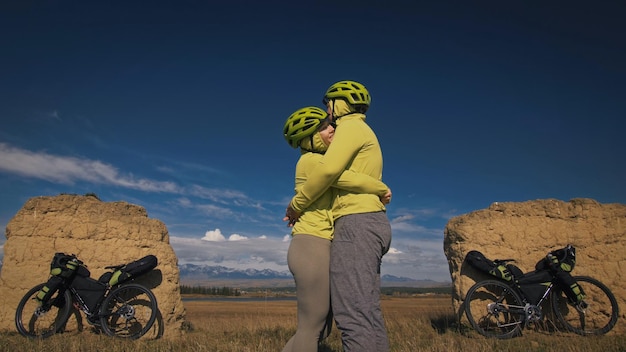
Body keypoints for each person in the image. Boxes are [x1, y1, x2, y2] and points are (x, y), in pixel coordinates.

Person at [285, 81, 392, 352]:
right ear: (307, 138)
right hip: (313, 242)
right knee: (318, 324)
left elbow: (335, 174)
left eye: (328, 120)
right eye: (322, 127)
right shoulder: (311, 161)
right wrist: (380, 187)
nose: (330, 126)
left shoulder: (351, 128)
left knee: (330, 321)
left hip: (331, 236)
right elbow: (337, 175)